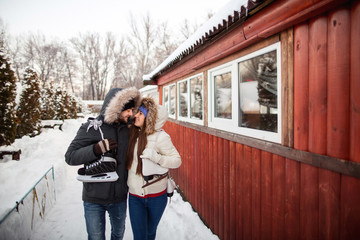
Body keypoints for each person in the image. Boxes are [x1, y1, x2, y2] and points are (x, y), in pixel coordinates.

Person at [65, 87, 141, 240]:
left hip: (119, 197)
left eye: (133, 110)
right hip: (94, 199)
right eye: (128, 110)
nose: (131, 114)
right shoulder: (91, 128)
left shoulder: (129, 130)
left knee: (118, 235)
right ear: (117, 108)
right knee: (96, 237)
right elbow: (70, 156)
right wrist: (95, 149)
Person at [126, 97, 181, 240]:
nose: (136, 115)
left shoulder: (161, 137)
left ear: (150, 118)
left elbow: (177, 161)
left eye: (140, 114)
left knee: (150, 233)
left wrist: (158, 158)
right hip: (135, 196)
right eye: (137, 112)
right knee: (139, 236)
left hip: (157, 197)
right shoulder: (131, 134)